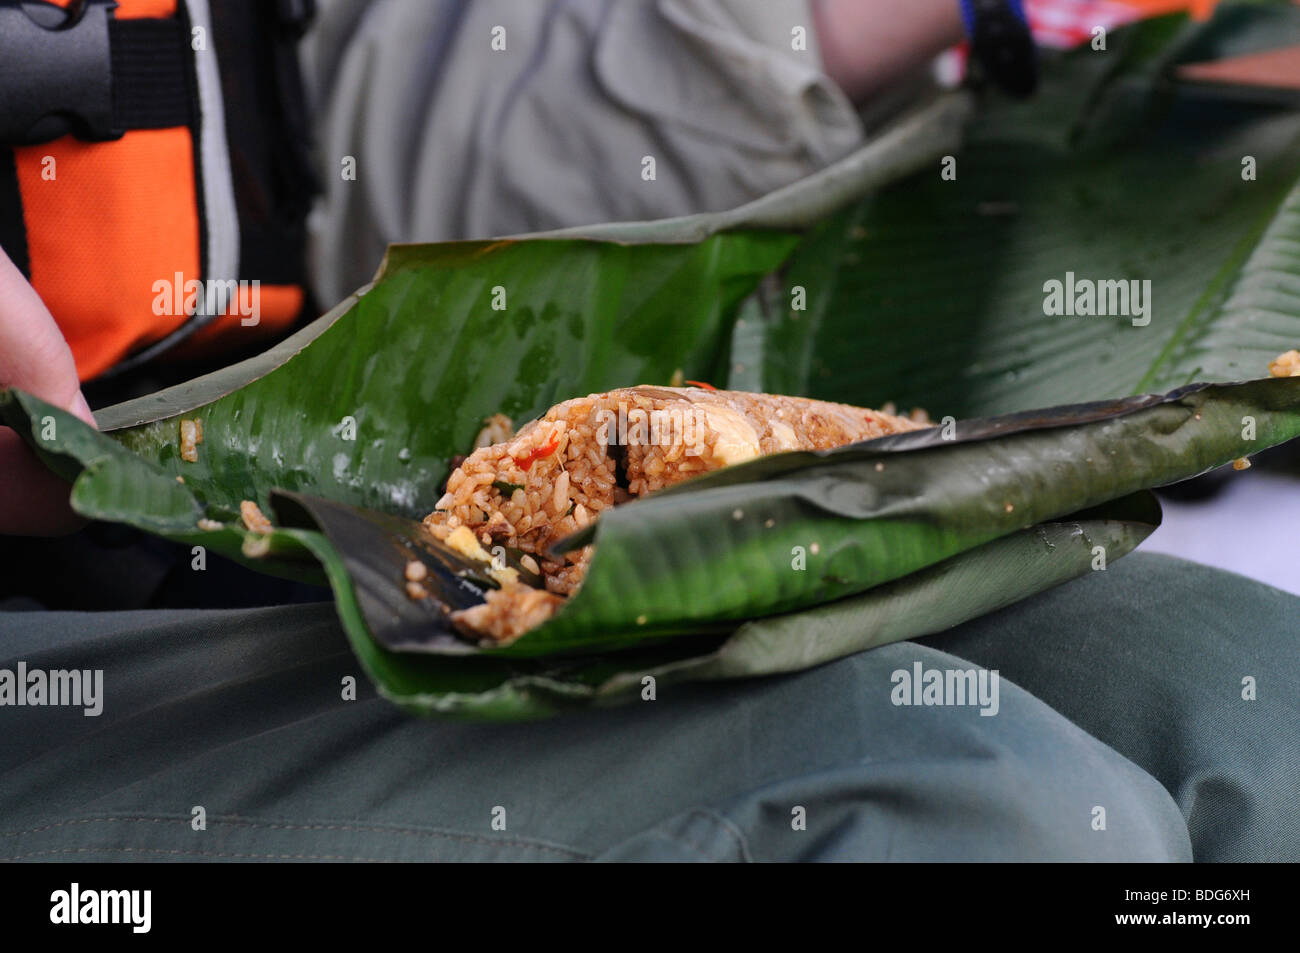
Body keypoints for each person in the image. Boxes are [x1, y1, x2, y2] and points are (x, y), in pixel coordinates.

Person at [2, 0, 1294, 863]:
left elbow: (333, 156)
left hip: (282, 495)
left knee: (1255, 708)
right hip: (65, 630)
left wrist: (847, 28)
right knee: (981, 817)